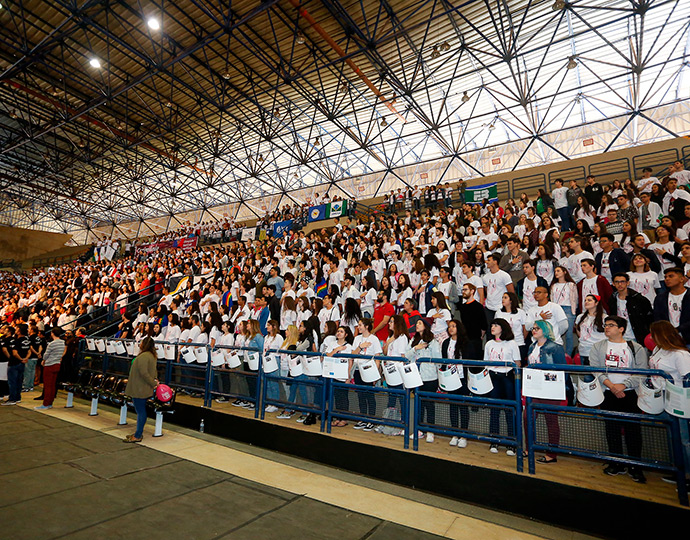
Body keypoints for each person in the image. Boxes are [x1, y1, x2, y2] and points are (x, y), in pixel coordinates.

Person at [589, 315, 649, 483]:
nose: (607, 328)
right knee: (612, 429)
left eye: (611, 325)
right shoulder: (598, 347)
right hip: (608, 393)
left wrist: (623, 386)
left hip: (629, 393)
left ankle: (635, 466)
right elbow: (596, 369)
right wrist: (611, 386)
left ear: (621, 329)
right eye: (606, 325)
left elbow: (642, 371)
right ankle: (616, 462)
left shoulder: (635, 347)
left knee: (633, 430)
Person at [526, 320, 567, 463]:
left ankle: (552, 453)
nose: (534, 330)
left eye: (538, 328)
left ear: (545, 329)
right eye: (533, 328)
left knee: (551, 420)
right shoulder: (531, 346)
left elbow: (563, 370)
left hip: (550, 388)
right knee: (527, 417)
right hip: (534, 387)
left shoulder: (555, 347)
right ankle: (528, 447)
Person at [484, 318, 520, 456]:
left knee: (510, 410)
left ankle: (512, 442)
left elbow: (517, 363)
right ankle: (494, 440)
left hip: (507, 377)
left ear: (503, 328)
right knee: (494, 409)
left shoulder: (512, 344)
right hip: (493, 377)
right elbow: (485, 362)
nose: (493, 327)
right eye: (492, 324)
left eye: (496, 325)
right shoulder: (488, 344)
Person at [405, 319, 440, 442]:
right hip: (416, 377)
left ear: (426, 326)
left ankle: (430, 430)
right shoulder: (413, 340)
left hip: (430, 377)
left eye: (420, 323)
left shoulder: (433, 342)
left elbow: (438, 360)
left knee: (429, 404)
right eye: (417, 324)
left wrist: (438, 376)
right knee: (418, 405)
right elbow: (406, 356)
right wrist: (415, 348)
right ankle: (419, 430)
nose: (417, 325)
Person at [123, 337, 159, 443]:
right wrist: (154, 381)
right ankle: (137, 433)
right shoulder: (151, 356)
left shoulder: (144, 356)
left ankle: (138, 435)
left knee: (140, 412)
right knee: (140, 411)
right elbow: (153, 372)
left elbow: (144, 373)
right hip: (142, 387)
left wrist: (153, 383)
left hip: (140, 388)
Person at [351, 318, 383, 431]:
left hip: (368, 370)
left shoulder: (374, 339)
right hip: (357, 369)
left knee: (369, 395)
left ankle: (371, 419)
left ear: (367, 327)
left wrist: (375, 374)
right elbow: (352, 354)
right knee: (361, 395)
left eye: (360, 325)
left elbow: (377, 357)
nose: (358, 327)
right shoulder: (357, 339)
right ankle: (363, 417)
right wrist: (360, 347)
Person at [609, 273, 653, 344]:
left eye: (622, 281)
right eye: (617, 282)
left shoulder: (639, 299)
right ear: (613, 284)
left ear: (628, 283)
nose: (620, 284)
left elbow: (649, 319)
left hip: (637, 336)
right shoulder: (612, 299)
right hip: (619, 336)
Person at [653, 267, 690, 344]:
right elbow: (658, 318)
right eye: (665, 277)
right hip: (669, 340)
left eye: (671, 276)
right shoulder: (660, 298)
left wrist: (678, 329)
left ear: (682, 279)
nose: (667, 279)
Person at [34, 328, 66, 410]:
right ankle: (50, 402)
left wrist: (43, 360)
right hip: (57, 364)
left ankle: (46, 403)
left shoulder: (52, 344)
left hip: (50, 364)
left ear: (52, 333)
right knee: (52, 385)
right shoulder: (62, 343)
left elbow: (46, 354)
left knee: (48, 385)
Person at [483, 253, 515, 325]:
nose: (486, 262)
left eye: (489, 260)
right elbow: (487, 290)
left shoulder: (504, 275)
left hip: (501, 307)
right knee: (490, 330)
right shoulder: (485, 277)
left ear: (495, 261)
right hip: (489, 307)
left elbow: (511, 292)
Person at [574, 295, 606, 365]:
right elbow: (578, 331)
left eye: (589, 300)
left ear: (596, 303)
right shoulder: (580, 317)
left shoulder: (605, 318)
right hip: (584, 350)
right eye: (585, 300)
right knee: (586, 374)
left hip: (599, 350)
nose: (586, 302)